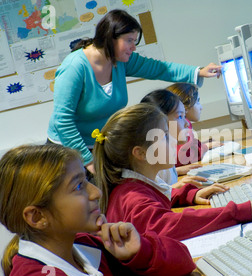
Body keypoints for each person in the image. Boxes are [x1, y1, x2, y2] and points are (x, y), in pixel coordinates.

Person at [0, 144, 196, 276]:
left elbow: (183, 265)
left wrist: (141, 251)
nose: (96, 192)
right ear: (37, 217)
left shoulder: (87, 246)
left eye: (87, 180)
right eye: (78, 186)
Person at [46, 9, 222, 176]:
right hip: (67, 149)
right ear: (110, 38)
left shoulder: (120, 60)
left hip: (97, 145)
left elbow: (160, 69)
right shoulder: (74, 68)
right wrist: (89, 161)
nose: (134, 47)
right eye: (129, 40)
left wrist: (198, 72)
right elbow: (63, 122)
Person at [92, 103, 252, 241]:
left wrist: (189, 194)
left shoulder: (132, 187)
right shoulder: (132, 197)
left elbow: (153, 207)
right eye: (166, 136)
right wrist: (241, 210)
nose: (175, 141)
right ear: (141, 153)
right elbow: (168, 225)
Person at [140, 89, 208, 188]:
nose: (186, 123)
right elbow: (151, 196)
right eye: (180, 116)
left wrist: (178, 172)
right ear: (158, 121)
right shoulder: (151, 160)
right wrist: (175, 188)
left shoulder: (165, 155)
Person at [166, 82, 222, 168]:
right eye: (198, 102)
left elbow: (187, 146)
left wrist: (201, 144)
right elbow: (184, 155)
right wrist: (205, 147)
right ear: (186, 107)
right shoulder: (183, 125)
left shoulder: (181, 124)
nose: (201, 107)